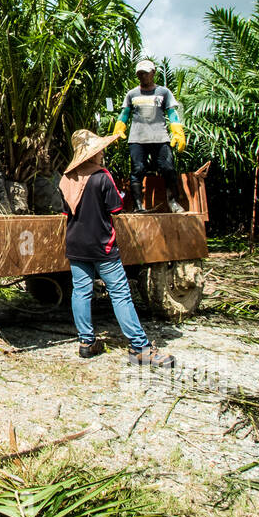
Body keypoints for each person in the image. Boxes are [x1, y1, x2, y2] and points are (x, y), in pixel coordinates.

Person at [60, 128, 175, 367]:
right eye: (100, 150)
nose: (103, 153)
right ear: (92, 154)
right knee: (120, 293)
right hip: (102, 245)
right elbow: (116, 208)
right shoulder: (103, 177)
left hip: (75, 244)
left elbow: (65, 213)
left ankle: (86, 342)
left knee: (81, 291)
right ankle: (140, 348)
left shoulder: (66, 179)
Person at [112, 59, 187, 213]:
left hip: (160, 137)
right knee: (137, 170)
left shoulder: (163, 92)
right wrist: (119, 128)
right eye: (140, 74)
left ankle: (173, 203)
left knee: (168, 168)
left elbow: (171, 113)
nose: (143, 77)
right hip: (137, 138)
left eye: (146, 73)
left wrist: (177, 132)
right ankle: (138, 206)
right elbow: (125, 113)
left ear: (153, 73)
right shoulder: (132, 94)